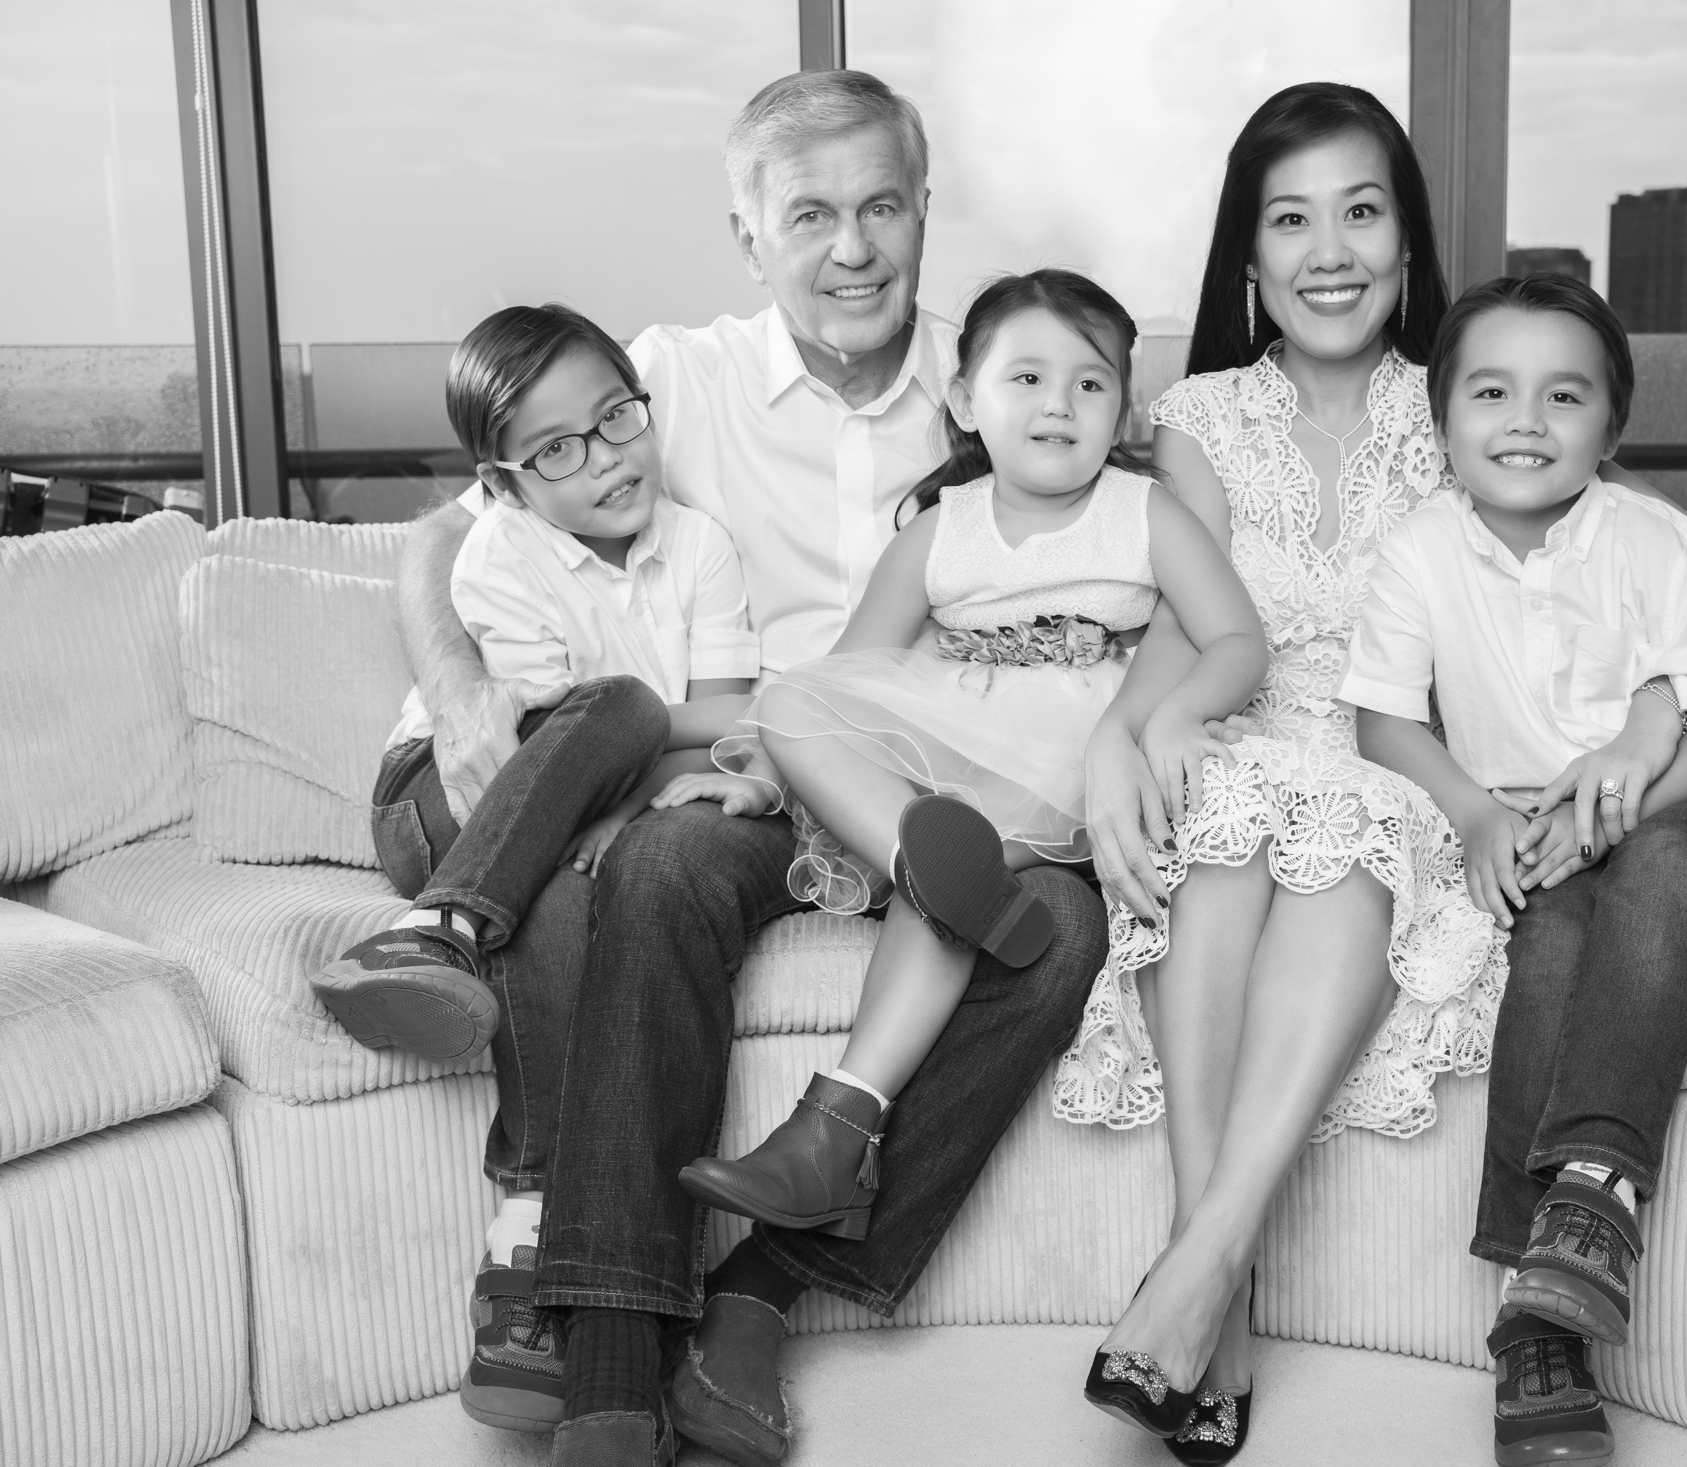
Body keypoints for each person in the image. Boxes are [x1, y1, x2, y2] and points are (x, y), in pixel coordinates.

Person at [394, 72, 1110, 1467]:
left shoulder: (1000, 373)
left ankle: (761, 1293)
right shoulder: (675, 376)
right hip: (740, 780)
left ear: (924, 209)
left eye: (882, 206)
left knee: (1058, 930)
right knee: (660, 862)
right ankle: (613, 1357)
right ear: (748, 236)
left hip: (929, 797)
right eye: (810, 215)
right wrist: (461, 681)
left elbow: (1128, 522)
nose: (853, 248)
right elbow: (454, 523)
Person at [1048, 83, 1509, 1462]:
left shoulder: (1460, 404)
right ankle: (1219, 1298)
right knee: (1227, 813)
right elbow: (1188, 623)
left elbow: (1579, 532)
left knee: (1337, 821)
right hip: (1242, 732)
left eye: (1360, 212)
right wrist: (1116, 741)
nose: (1330, 251)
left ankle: (1197, 1268)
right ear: (1247, 255)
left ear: (1408, 240)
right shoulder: (1203, 413)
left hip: (1394, 746)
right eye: (1291, 220)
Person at [676, 269, 1266, 1242]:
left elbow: (1237, 639)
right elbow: (852, 680)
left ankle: (836, 1123)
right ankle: (924, 880)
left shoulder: (1143, 512)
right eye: (1026, 378)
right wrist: (764, 772)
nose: (1058, 404)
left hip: (1078, 759)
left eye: (1089, 383)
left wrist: (1174, 718)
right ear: (963, 399)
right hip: (957, 764)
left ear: (1125, 408)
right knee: (793, 699)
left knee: (954, 855)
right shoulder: (939, 532)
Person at [1345, 274, 1687, 1467]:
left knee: (1658, 862)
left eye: (1564, 396)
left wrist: (1623, 804)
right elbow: (1384, 721)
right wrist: (1473, 814)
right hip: (1539, 831)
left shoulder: (1656, 541)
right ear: (1442, 419)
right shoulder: (1419, 551)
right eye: (1490, 393)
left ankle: (1592, 1190)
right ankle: (1542, 1326)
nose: (1525, 422)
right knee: (1548, 942)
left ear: (1611, 423)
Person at [318, 303, 774, 1433]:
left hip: (568, 803)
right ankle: (444, 919)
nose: (606, 458)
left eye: (617, 418)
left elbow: (730, 716)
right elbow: (533, 747)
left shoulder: (700, 545)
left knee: (578, 871)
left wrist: (628, 789)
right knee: (617, 712)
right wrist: (633, 758)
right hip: (445, 798)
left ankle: (524, 1247)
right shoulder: (499, 554)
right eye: (557, 449)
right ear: (504, 482)